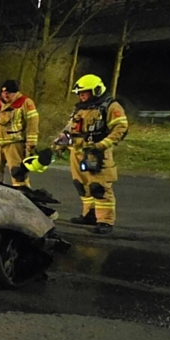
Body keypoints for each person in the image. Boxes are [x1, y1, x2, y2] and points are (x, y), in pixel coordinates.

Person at [58, 74, 129, 235]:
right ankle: (89, 214)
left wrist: (102, 145)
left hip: (97, 153)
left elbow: (121, 129)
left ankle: (105, 221)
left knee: (99, 187)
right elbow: (70, 128)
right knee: (82, 186)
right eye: (79, 93)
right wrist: (60, 143)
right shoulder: (80, 108)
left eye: (84, 92)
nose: (81, 95)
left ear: (96, 90)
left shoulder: (110, 106)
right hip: (77, 152)